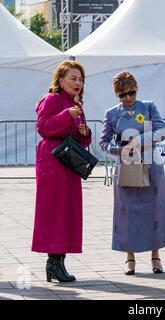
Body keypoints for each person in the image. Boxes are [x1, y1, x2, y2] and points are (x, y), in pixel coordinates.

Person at [99, 71, 165, 275]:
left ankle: (155, 255)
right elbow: (103, 142)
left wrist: (140, 140)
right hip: (126, 166)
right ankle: (129, 257)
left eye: (131, 93)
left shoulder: (148, 107)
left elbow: (162, 131)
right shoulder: (112, 113)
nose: (128, 98)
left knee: (154, 209)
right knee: (127, 211)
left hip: (151, 165)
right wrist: (118, 150)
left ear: (136, 88)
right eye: (122, 95)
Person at [32, 60, 92, 282]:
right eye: (73, 78)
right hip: (52, 162)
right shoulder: (52, 100)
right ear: (61, 80)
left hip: (69, 163)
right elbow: (43, 127)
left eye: (80, 79)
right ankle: (53, 262)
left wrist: (85, 133)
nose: (78, 82)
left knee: (68, 212)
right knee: (54, 211)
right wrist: (67, 116)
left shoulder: (77, 106)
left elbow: (81, 141)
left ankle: (58, 263)